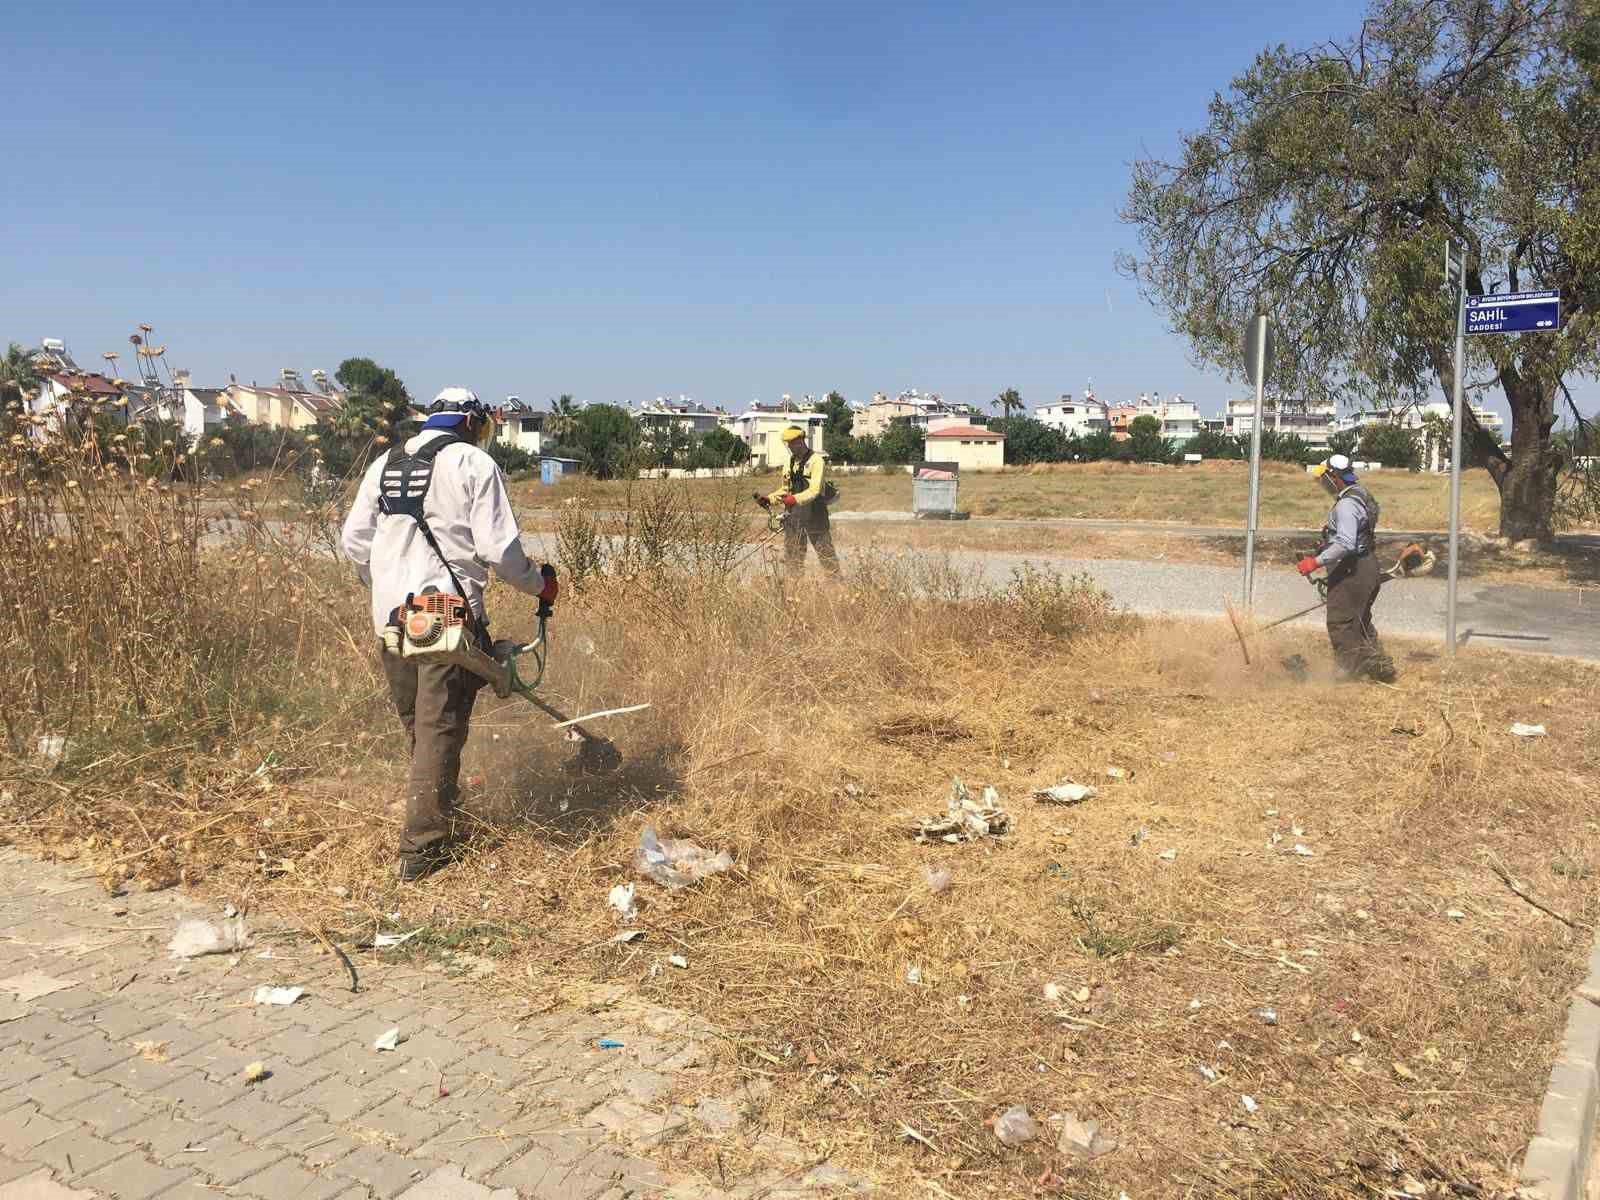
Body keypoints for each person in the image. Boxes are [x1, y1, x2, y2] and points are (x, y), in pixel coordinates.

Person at [341, 388, 555, 880]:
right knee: (439, 728)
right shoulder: (473, 463)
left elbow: (354, 541)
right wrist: (539, 585)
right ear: (472, 422)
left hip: (391, 616)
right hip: (444, 617)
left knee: (420, 726)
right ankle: (423, 848)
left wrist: (385, 583)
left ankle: (442, 810)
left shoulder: (384, 464)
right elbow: (501, 553)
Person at [1297, 453, 1396, 683]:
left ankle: (1347, 671)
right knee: (1360, 619)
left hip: (1352, 569)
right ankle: (1379, 665)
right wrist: (1326, 545)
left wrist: (1315, 562)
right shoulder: (1361, 495)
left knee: (1340, 620)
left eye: (1324, 479)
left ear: (1334, 477)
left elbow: (1345, 543)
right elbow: (1355, 535)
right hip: (1366, 564)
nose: (1322, 484)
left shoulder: (1346, 505)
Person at [763, 424, 839, 576]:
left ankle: (835, 583)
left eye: (792, 442)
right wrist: (770, 499)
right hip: (794, 515)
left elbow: (815, 490)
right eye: (788, 443)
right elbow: (786, 489)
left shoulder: (817, 461)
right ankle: (795, 585)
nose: (790, 446)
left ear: (801, 440)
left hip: (815, 514)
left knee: (825, 553)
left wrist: (794, 499)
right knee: (793, 555)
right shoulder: (789, 462)